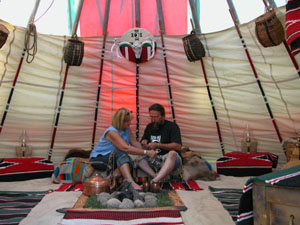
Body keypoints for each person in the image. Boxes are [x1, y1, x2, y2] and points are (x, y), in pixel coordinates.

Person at [89, 108, 157, 190]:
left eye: (130, 120)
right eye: (127, 121)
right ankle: (131, 184)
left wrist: (145, 148)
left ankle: (156, 178)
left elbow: (134, 143)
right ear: (120, 121)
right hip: (99, 159)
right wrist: (146, 152)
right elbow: (125, 148)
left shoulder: (127, 129)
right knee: (122, 154)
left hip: (114, 158)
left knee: (132, 159)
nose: (130, 123)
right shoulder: (111, 132)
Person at [138, 103, 182, 184]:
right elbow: (144, 142)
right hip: (154, 159)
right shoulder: (149, 127)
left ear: (163, 116)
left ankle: (154, 181)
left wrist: (158, 145)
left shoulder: (172, 126)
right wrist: (144, 143)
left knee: (172, 153)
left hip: (169, 159)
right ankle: (157, 177)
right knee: (136, 156)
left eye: (156, 117)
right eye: (151, 117)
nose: (153, 119)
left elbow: (178, 146)